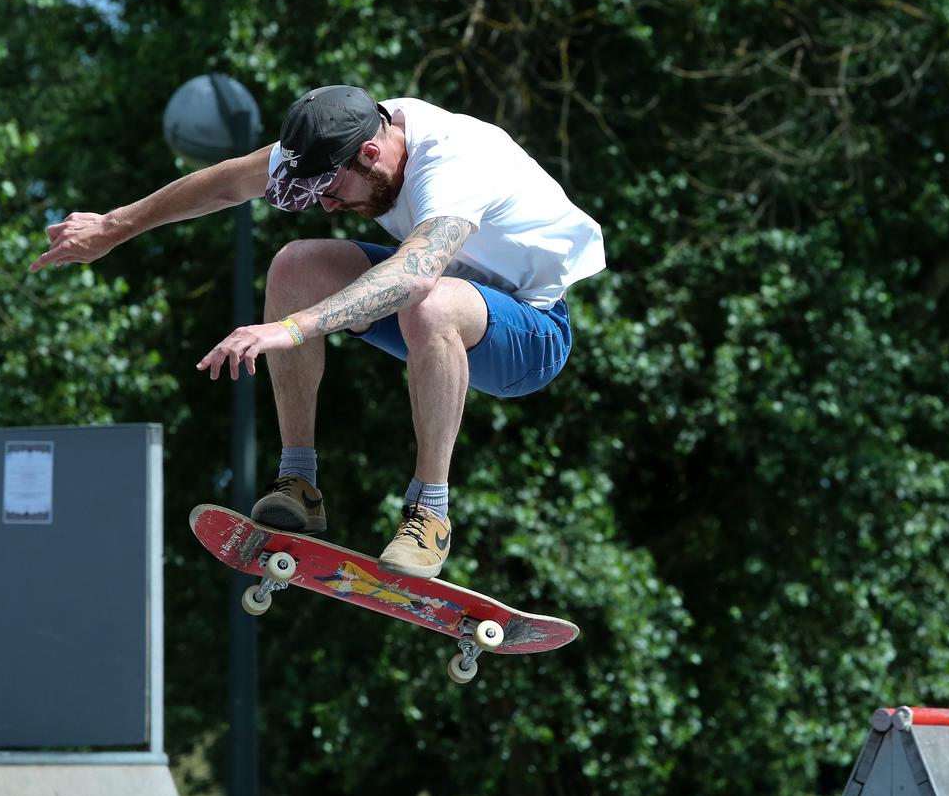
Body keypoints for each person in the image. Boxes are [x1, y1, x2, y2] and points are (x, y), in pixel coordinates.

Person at [30, 85, 605, 578]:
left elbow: (413, 273)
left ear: (372, 153)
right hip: (437, 293)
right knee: (295, 266)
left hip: (530, 334)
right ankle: (298, 483)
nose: (330, 207)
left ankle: (429, 512)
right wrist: (111, 227)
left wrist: (292, 329)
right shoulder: (337, 133)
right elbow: (227, 184)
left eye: (334, 191)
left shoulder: (454, 162)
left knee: (426, 303)